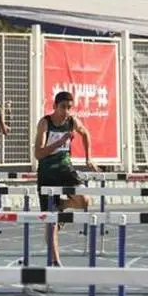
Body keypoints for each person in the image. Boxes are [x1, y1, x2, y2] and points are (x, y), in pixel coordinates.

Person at [35, 91, 98, 267]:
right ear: (54, 106)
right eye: (63, 107)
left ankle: (62, 205)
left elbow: (85, 133)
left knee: (85, 200)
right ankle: (55, 261)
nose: (66, 111)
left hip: (65, 169)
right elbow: (38, 153)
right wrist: (59, 142)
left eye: (69, 107)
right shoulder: (45, 123)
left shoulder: (72, 121)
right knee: (51, 221)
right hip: (47, 173)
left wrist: (88, 158)